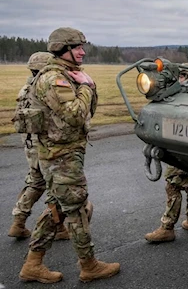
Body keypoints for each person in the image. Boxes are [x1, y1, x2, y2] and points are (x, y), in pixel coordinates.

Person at [18, 27, 120, 284]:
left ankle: (33, 264)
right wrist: (86, 86)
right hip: (60, 156)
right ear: (63, 49)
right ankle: (89, 265)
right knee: (78, 208)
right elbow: (74, 115)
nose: (82, 51)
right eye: (77, 47)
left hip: (62, 153)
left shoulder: (65, 74)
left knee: (58, 208)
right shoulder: (54, 78)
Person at [8, 52, 69, 241]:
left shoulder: (26, 88)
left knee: (36, 181)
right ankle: (57, 227)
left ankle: (19, 221)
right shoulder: (44, 88)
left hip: (29, 141)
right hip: (42, 142)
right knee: (52, 184)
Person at [144, 63, 188, 243]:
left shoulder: (185, 97)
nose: (180, 80)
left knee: (172, 184)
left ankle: (167, 227)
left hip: (183, 149)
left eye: (183, 76)